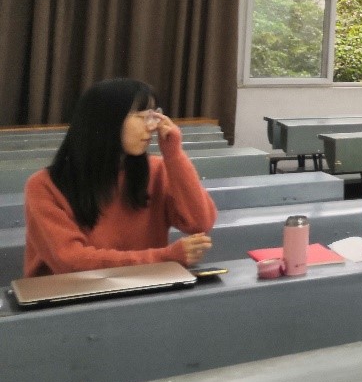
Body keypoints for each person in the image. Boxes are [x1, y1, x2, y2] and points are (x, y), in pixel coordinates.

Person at [24, 78, 217, 277]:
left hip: (143, 286)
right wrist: (164, 257)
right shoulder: (44, 185)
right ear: (108, 121)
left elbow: (200, 223)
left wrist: (173, 154)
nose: (152, 126)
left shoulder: (157, 170)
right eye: (142, 116)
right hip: (71, 293)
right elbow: (70, 261)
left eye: (154, 115)